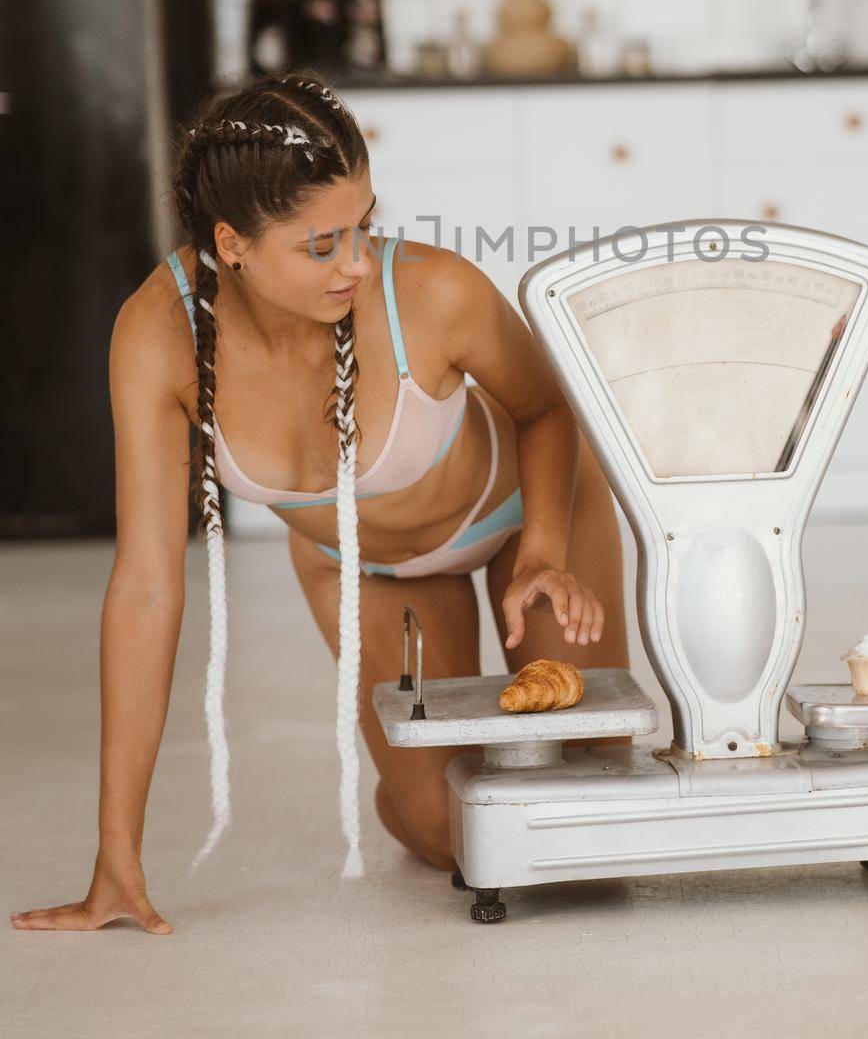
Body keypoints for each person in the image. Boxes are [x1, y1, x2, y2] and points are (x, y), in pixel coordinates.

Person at [10, 70, 630, 934]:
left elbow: (545, 406)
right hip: (368, 565)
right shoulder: (158, 335)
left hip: (528, 518)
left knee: (597, 792)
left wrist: (544, 552)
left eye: (365, 224)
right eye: (322, 244)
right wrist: (117, 851)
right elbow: (146, 588)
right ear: (231, 244)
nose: (359, 261)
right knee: (438, 828)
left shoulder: (433, 292)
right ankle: (453, 770)